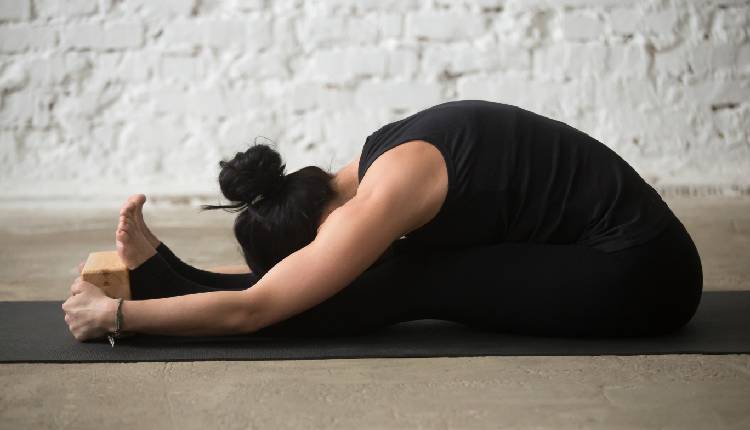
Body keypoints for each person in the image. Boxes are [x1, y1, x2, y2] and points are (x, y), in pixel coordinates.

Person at [62, 100, 703, 342]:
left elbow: (256, 307)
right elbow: (282, 280)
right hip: (613, 250)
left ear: (318, 229)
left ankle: (163, 287)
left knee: (414, 280)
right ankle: (171, 276)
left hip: (644, 277)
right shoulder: (367, 163)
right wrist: (174, 267)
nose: (329, 257)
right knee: (403, 270)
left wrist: (119, 317)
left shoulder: (385, 197)